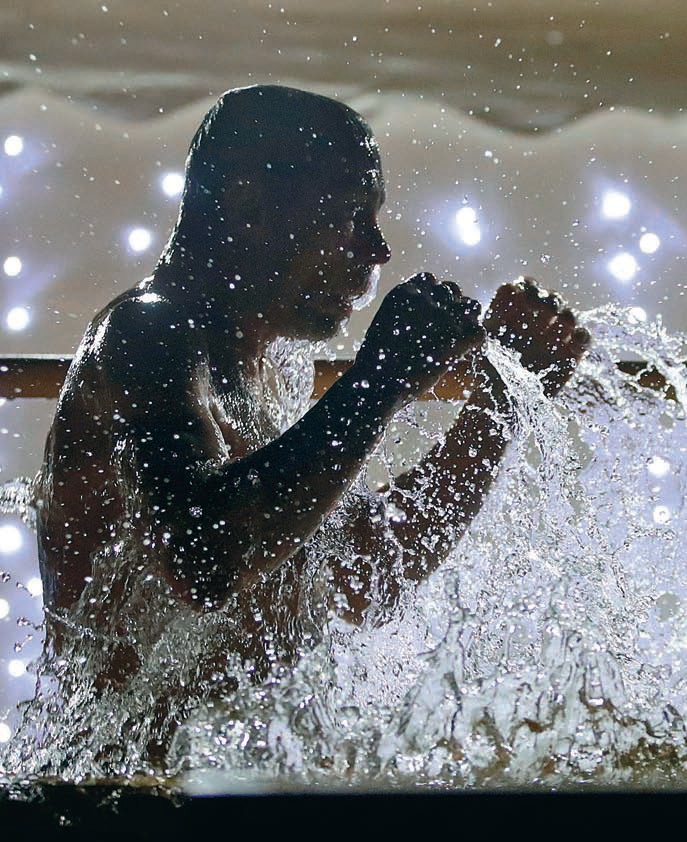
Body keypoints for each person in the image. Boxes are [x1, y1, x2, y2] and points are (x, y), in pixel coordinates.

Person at [31, 84, 588, 760]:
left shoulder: (265, 365)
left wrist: (498, 405)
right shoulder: (148, 332)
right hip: (118, 797)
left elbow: (362, 572)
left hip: (213, 783)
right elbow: (202, 557)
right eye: (351, 216)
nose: (378, 250)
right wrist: (380, 377)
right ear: (247, 208)